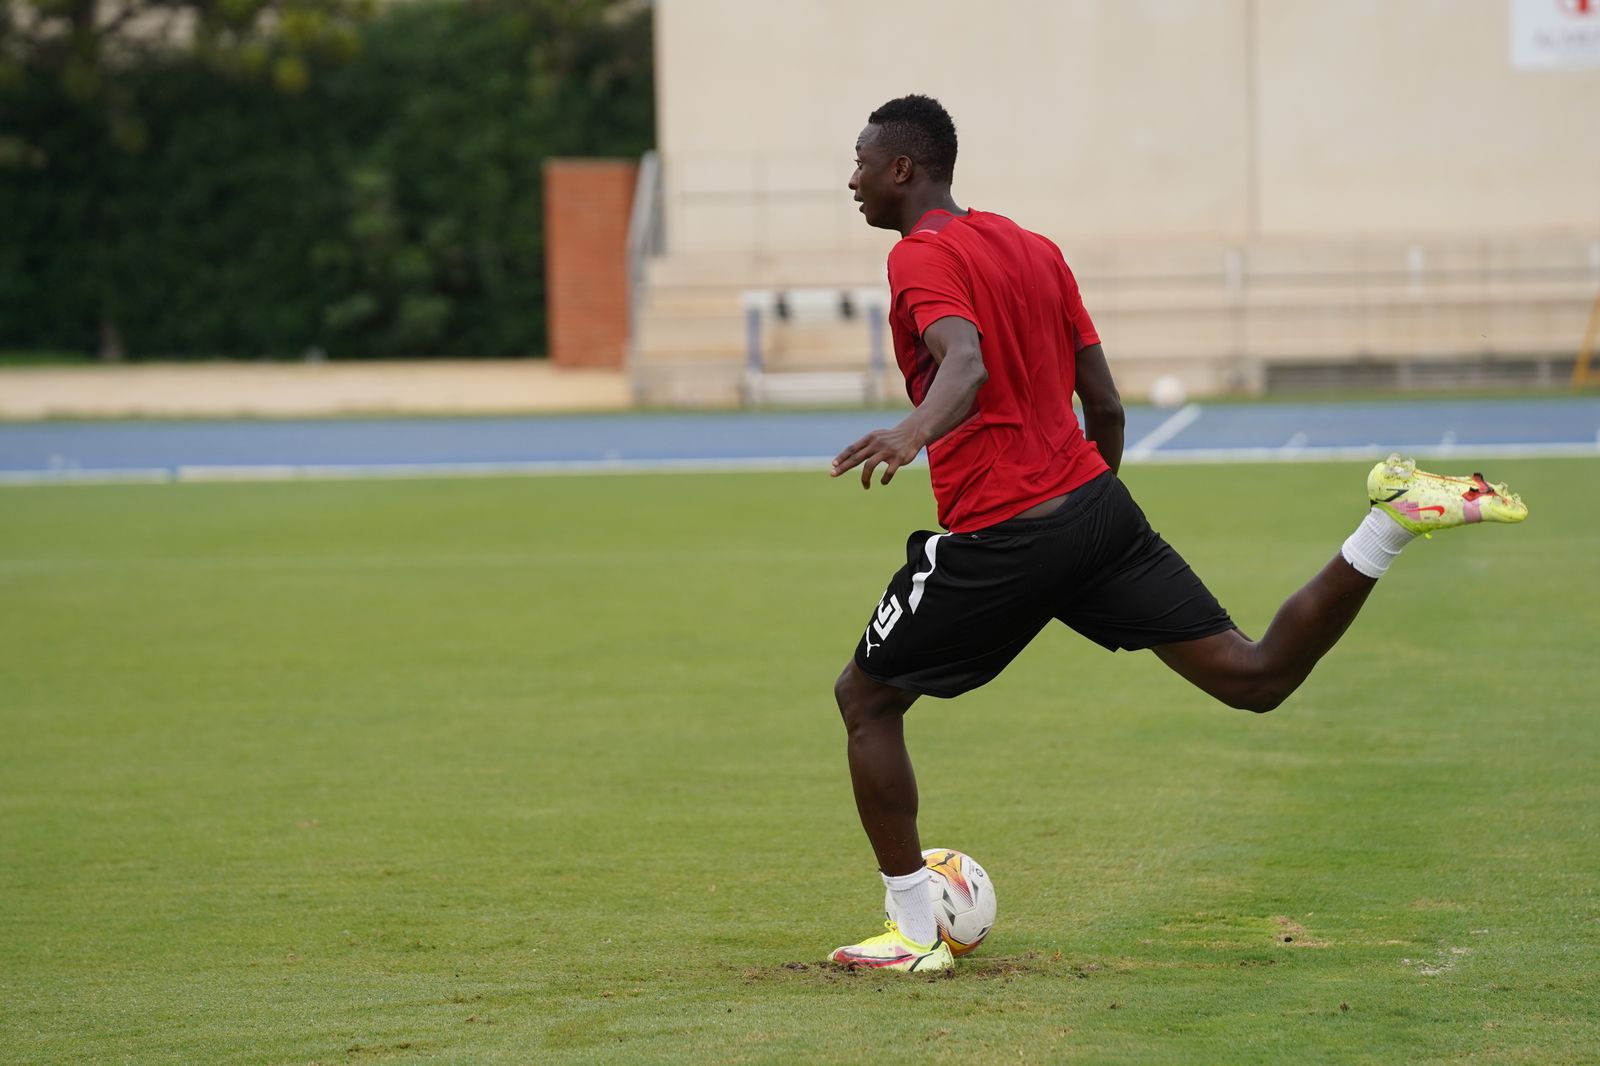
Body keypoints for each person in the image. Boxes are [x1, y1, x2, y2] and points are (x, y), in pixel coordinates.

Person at [826, 94, 1528, 973]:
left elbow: (963, 364)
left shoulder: (921, 257)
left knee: (867, 700)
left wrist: (910, 433)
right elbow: (1107, 405)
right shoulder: (1035, 248)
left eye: (858, 161)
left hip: (1006, 532)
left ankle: (915, 931)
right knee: (1255, 675)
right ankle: (1388, 524)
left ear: (902, 168)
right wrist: (1085, 517)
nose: (849, 179)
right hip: (1094, 510)